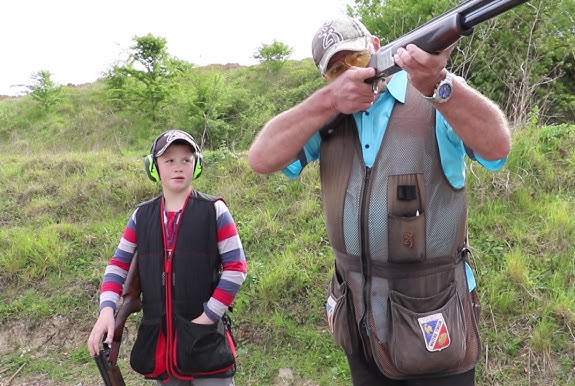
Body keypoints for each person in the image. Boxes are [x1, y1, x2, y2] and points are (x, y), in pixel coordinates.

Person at [247, 15, 511, 386]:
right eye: (336, 70)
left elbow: (497, 148)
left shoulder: (436, 94)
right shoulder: (330, 115)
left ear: (375, 45)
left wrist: (439, 83)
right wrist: (328, 101)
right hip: (360, 323)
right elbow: (261, 158)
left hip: (434, 318)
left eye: (354, 59)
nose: (349, 72)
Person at [87, 129, 248, 385]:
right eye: (169, 160)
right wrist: (107, 311)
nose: (178, 167)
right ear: (154, 167)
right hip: (161, 342)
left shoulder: (214, 210)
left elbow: (236, 268)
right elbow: (118, 265)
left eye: (186, 159)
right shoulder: (142, 216)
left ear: (197, 165)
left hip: (205, 338)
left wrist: (207, 317)